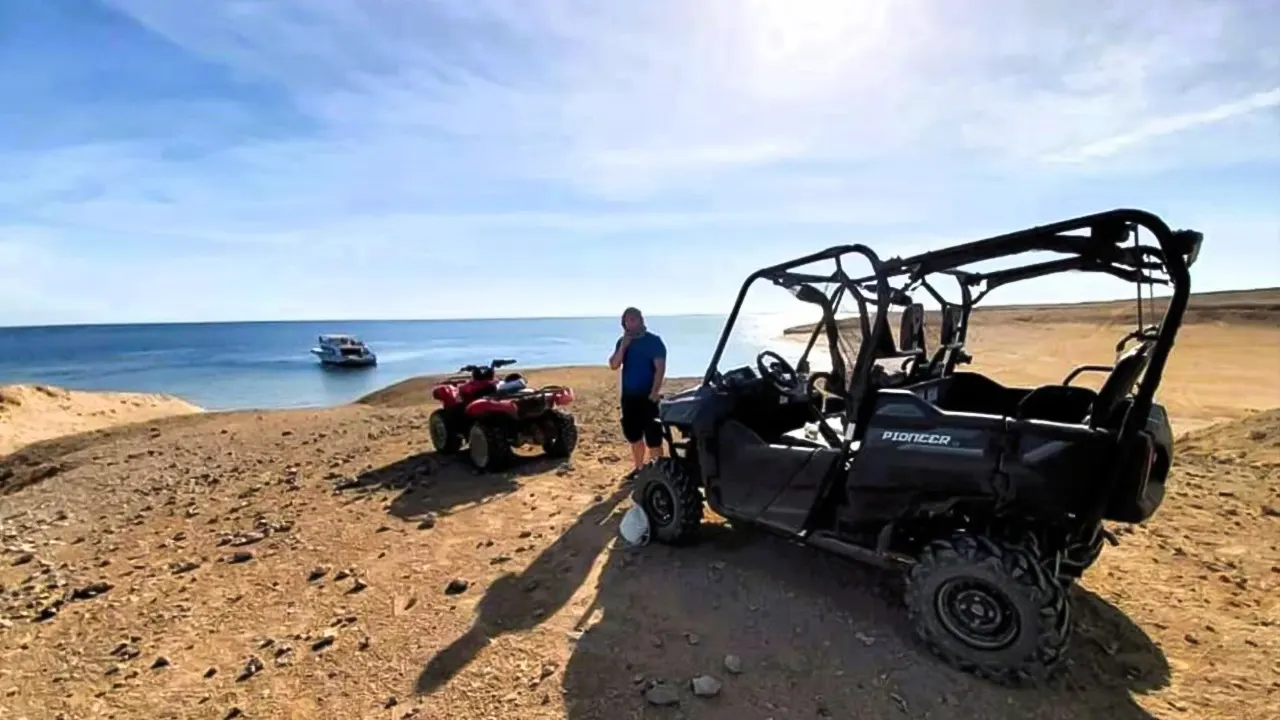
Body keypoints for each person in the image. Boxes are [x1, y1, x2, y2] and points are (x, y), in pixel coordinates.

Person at [608, 307, 667, 472]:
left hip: (648, 397)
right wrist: (623, 347)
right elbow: (614, 365)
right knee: (634, 436)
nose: (631, 323)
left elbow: (660, 368)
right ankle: (639, 468)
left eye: (634, 319)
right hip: (629, 397)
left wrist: (655, 391)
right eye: (628, 320)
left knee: (654, 438)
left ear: (641, 320)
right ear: (624, 323)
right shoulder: (623, 342)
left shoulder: (654, 341)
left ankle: (658, 471)